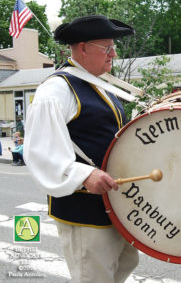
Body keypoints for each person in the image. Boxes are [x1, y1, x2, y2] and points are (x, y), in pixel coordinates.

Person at [23, 15, 139, 283]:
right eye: (106, 48)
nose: (114, 53)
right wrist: (83, 175)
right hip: (84, 209)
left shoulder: (98, 85)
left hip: (112, 203)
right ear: (83, 48)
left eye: (113, 47)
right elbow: (40, 150)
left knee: (124, 262)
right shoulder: (56, 90)